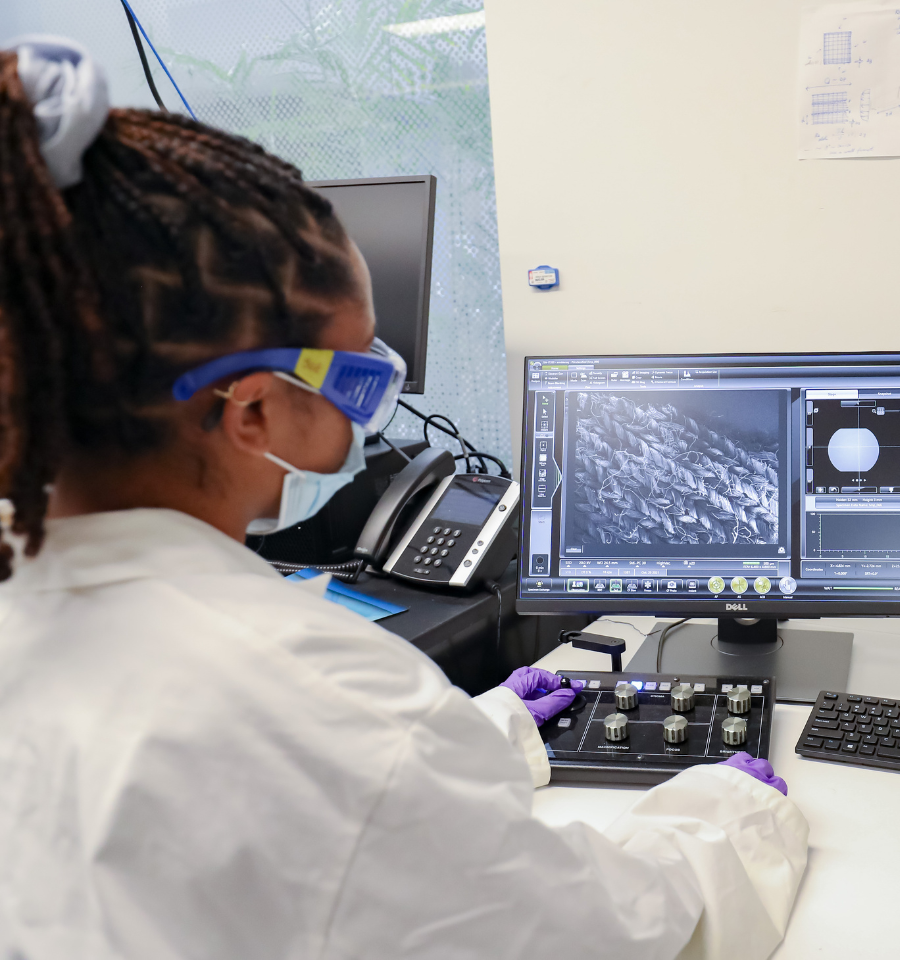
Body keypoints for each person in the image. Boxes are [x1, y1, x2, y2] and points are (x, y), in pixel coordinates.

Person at [0, 37, 808, 959]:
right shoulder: (315, 701)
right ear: (253, 409)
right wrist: (732, 816)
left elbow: (302, 817)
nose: (367, 421)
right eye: (360, 379)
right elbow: (618, 936)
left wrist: (480, 733)